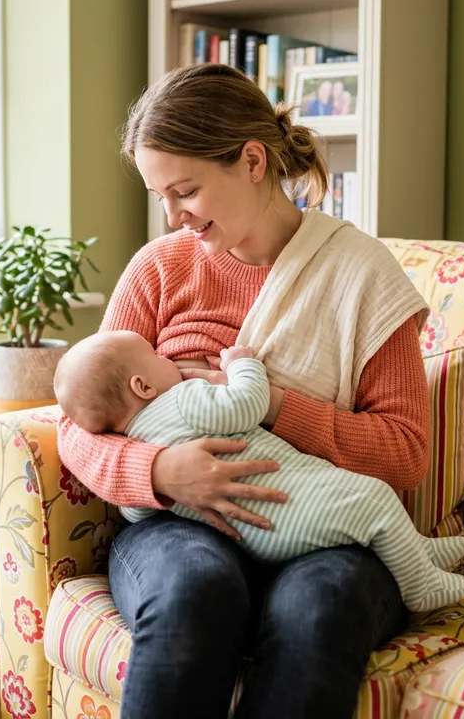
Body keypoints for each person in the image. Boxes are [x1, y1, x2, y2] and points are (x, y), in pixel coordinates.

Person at [57, 62, 432, 718]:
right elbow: (76, 425)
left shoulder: (360, 275)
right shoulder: (159, 269)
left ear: (253, 160)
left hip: (325, 530)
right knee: (192, 592)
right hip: (179, 525)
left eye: (186, 191)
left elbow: (404, 454)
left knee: (319, 610)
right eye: (160, 196)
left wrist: (277, 405)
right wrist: (160, 469)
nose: (173, 216)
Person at [55, 330, 464, 612]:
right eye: (157, 355)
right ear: (143, 386)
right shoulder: (183, 397)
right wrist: (242, 366)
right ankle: (419, 584)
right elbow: (247, 404)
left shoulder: (140, 439)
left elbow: (136, 509)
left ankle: (416, 549)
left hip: (253, 533)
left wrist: (151, 480)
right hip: (286, 509)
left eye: (187, 193)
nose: (168, 357)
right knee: (373, 499)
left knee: (359, 519)